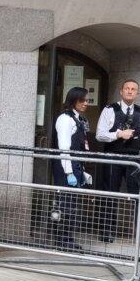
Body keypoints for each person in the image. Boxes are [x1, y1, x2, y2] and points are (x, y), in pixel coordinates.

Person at [96, 79, 140, 246]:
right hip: (112, 157)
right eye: (127, 88)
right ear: (121, 91)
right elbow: (99, 134)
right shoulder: (109, 110)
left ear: (137, 93)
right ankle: (106, 231)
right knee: (110, 194)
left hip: (134, 159)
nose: (130, 91)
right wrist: (119, 134)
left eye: (133, 89)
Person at [51, 86, 94, 250]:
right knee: (65, 205)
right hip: (65, 167)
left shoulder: (78, 119)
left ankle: (66, 239)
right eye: (81, 100)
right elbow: (64, 148)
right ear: (73, 100)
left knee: (71, 205)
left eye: (87, 100)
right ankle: (62, 240)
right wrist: (69, 172)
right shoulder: (65, 119)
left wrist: (80, 170)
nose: (85, 103)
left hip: (75, 166)